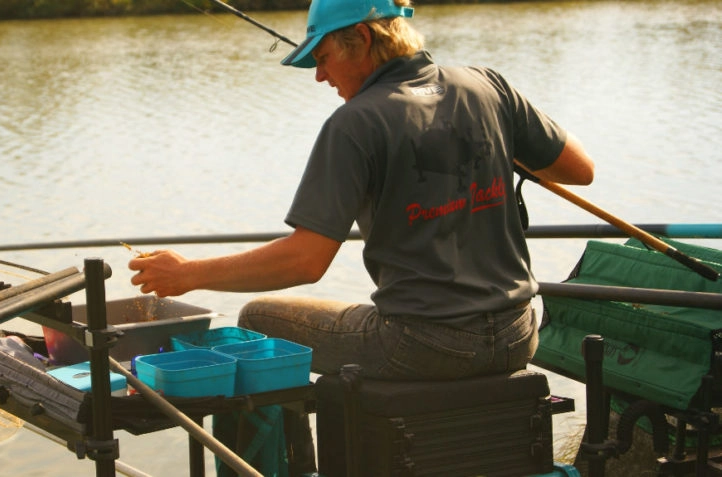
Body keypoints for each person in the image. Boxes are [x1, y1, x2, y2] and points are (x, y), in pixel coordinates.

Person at [130, 0, 594, 472]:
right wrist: (487, 142)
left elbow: (304, 262)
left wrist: (189, 274)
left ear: (364, 40)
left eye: (324, 58)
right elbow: (579, 170)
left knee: (258, 319)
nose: (320, 76)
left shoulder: (355, 124)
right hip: (518, 333)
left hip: (424, 344)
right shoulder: (487, 85)